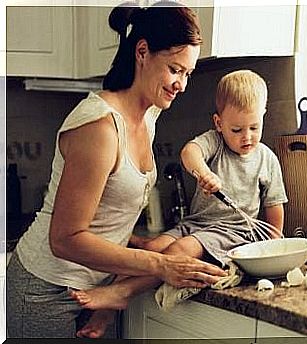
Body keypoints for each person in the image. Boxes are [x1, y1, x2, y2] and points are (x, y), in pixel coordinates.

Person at [6, 1, 227, 339]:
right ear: (142, 52)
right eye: (174, 69)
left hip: (98, 286)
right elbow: (65, 239)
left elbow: (105, 213)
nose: (181, 83)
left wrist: (138, 243)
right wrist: (161, 265)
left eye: (188, 73)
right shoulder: (99, 126)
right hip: (45, 290)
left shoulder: (149, 115)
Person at [68, 69, 289, 334]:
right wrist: (203, 172)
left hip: (233, 232)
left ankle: (124, 291)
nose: (247, 137)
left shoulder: (267, 159)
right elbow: (190, 152)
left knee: (177, 251)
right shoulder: (214, 143)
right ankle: (104, 314)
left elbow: (275, 211)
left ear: (263, 117)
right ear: (219, 123)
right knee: (151, 249)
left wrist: (273, 252)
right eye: (237, 129)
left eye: (255, 127)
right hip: (196, 224)